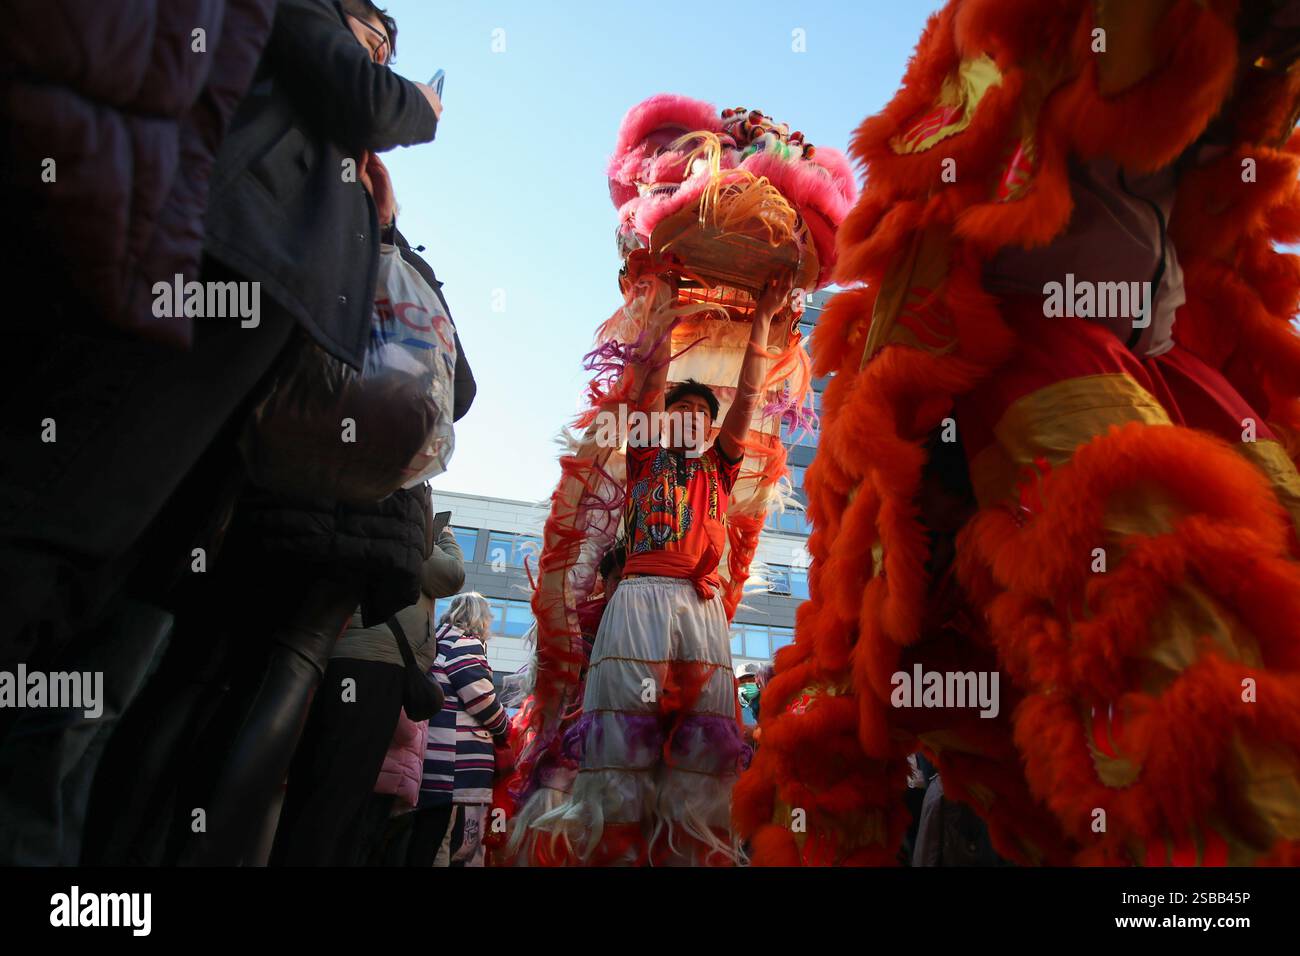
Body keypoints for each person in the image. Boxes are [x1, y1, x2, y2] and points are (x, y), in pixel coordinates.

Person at [80, 0, 456, 867]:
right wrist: (420, 113)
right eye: (373, 44)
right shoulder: (312, 155)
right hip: (274, 496)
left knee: (190, 683)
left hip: (271, 506)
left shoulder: (364, 225)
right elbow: (450, 387)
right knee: (187, 676)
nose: (381, 60)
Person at [531, 274, 796, 866]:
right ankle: (616, 848)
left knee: (704, 732)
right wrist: (661, 316)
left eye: (702, 415)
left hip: (698, 605)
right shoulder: (646, 453)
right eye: (682, 412)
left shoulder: (720, 467)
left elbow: (750, 399)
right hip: (640, 596)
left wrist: (763, 321)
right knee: (627, 724)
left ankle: (690, 851)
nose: (692, 421)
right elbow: (650, 384)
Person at [269, 518, 464, 865]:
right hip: (371, 661)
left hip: (351, 655)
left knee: (328, 783)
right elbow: (448, 575)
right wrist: (446, 539)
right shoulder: (400, 515)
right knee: (340, 789)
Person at [409, 594, 510, 867]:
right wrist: (505, 727)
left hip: (428, 756)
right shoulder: (464, 643)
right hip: (454, 765)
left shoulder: (435, 642)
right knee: (447, 846)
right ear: (480, 619)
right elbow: (482, 700)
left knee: (426, 840)